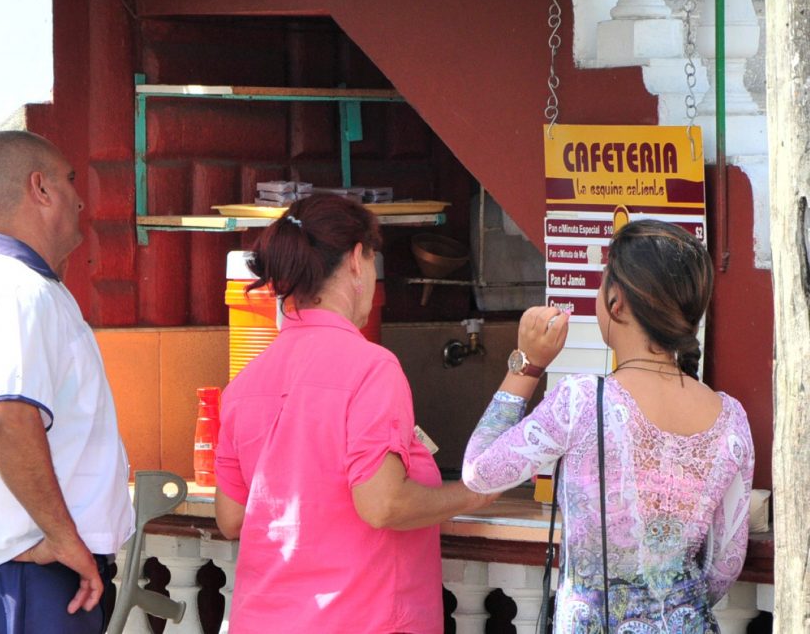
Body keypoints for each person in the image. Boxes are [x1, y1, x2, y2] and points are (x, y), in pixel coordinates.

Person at [214, 194, 497, 633]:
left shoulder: (244, 384)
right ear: (357, 260)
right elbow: (383, 504)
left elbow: (231, 518)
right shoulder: (371, 367)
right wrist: (473, 493)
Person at [462, 220, 754, 632]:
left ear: (616, 303)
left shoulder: (582, 400)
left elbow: (479, 474)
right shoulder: (730, 419)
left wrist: (526, 365)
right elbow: (725, 564)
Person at [0, 130, 134, 633]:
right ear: (39, 189)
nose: (81, 198)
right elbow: (6, 416)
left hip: (26, 577)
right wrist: (64, 537)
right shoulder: (14, 290)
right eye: (69, 181)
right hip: (25, 583)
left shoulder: (13, 285)